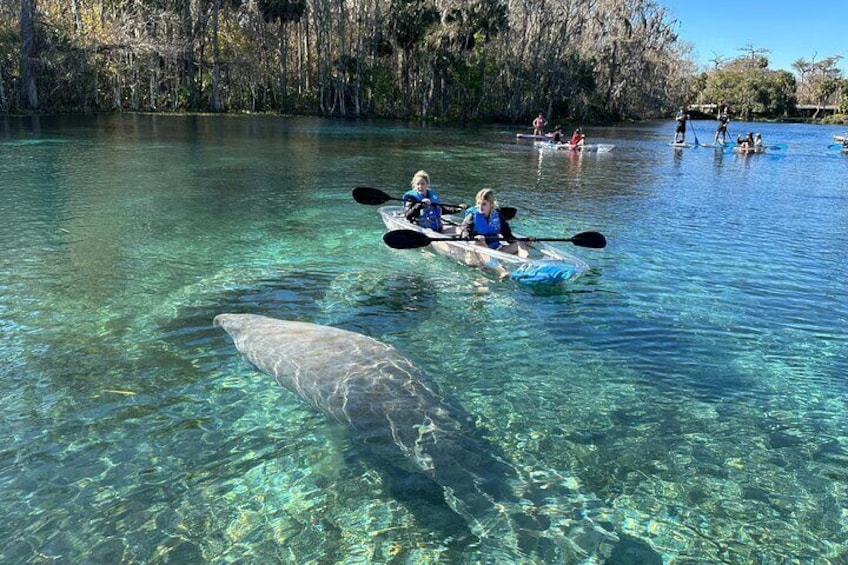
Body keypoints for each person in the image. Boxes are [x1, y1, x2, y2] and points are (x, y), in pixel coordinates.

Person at [460, 188, 532, 278]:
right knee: (478, 242)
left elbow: (508, 237)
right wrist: (474, 237)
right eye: (478, 203)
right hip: (478, 250)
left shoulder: (498, 216)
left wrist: (525, 240)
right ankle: (502, 270)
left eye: (484, 204)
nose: (480, 207)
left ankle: (527, 263)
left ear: (491, 205)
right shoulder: (472, 216)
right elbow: (464, 233)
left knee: (519, 243)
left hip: (496, 250)